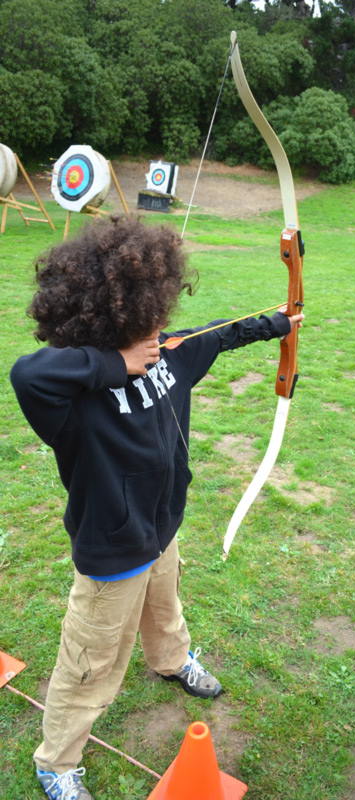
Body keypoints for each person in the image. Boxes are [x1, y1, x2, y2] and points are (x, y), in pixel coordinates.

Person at [10, 215, 304, 800]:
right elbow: (28, 373)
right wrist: (116, 365)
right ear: (113, 312)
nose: (164, 320)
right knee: (91, 660)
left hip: (161, 525)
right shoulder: (73, 394)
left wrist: (279, 322)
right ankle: (57, 761)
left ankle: (170, 659)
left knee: (165, 605)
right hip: (113, 547)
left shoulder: (168, 353)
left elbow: (217, 334)